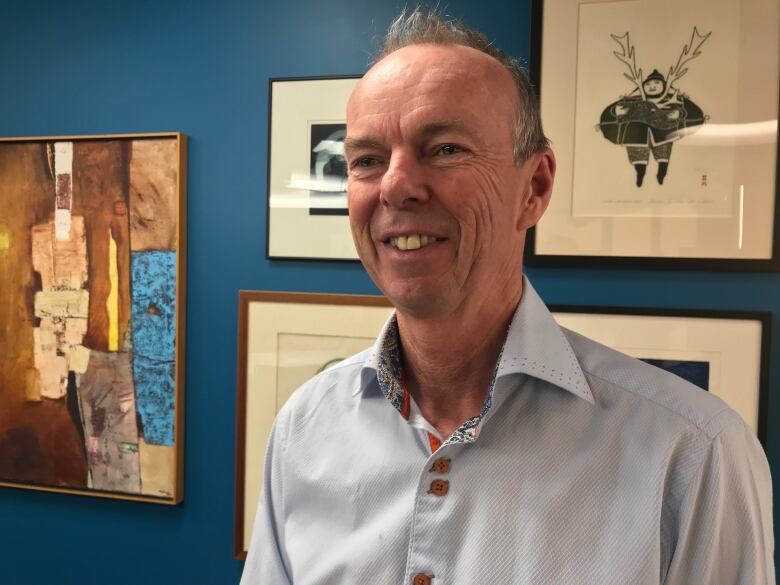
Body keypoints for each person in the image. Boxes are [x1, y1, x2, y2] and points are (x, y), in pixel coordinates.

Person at [241, 8, 774, 585]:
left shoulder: (691, 455)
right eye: (367, 160)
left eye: (444, 148)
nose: (395, 184)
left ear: (535, 187)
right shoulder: (306, 426)